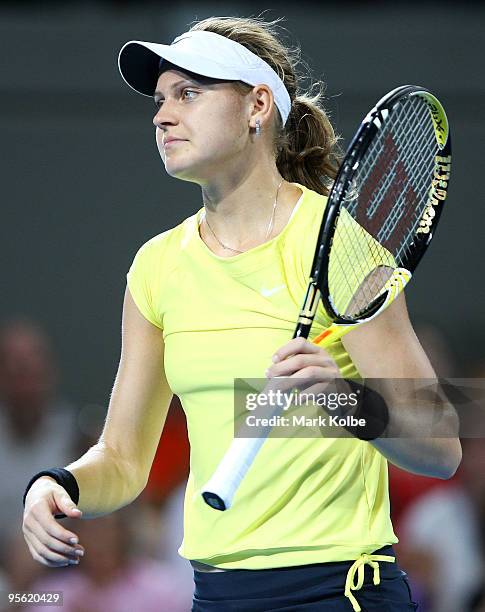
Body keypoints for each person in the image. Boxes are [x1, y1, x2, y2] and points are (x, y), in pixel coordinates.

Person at [21, 16, 462, 611]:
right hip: (218, 596)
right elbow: (124, 460)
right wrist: (57, 484)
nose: (162, 115)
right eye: (159, 100)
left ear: (257, 105)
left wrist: (344, 400)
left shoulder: (341, 244)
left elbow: (441, 446)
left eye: (189, 93)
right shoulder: (156, 268)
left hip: (339, 592)